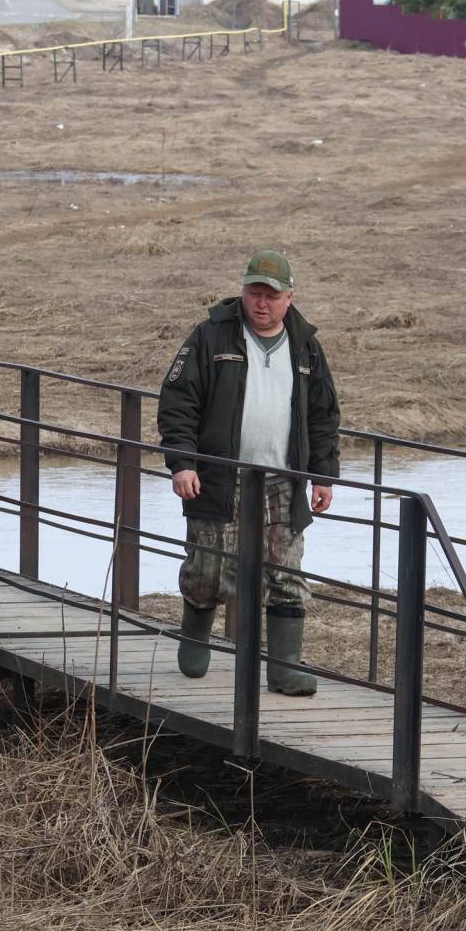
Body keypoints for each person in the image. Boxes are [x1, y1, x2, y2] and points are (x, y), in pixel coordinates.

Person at [156, 250, 341, 695]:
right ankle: (196, 634)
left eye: (271, 296)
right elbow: (178, 403)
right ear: (242, 291)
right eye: (254, 292)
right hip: (219, 476)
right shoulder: (209, 337)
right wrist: (182, 463)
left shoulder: (306, 346)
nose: (261, 303)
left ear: (289, 298)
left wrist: (323, 475)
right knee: (209, 570)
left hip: (283, 481)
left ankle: (283, 666)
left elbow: (323, 415)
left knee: (286, 572)